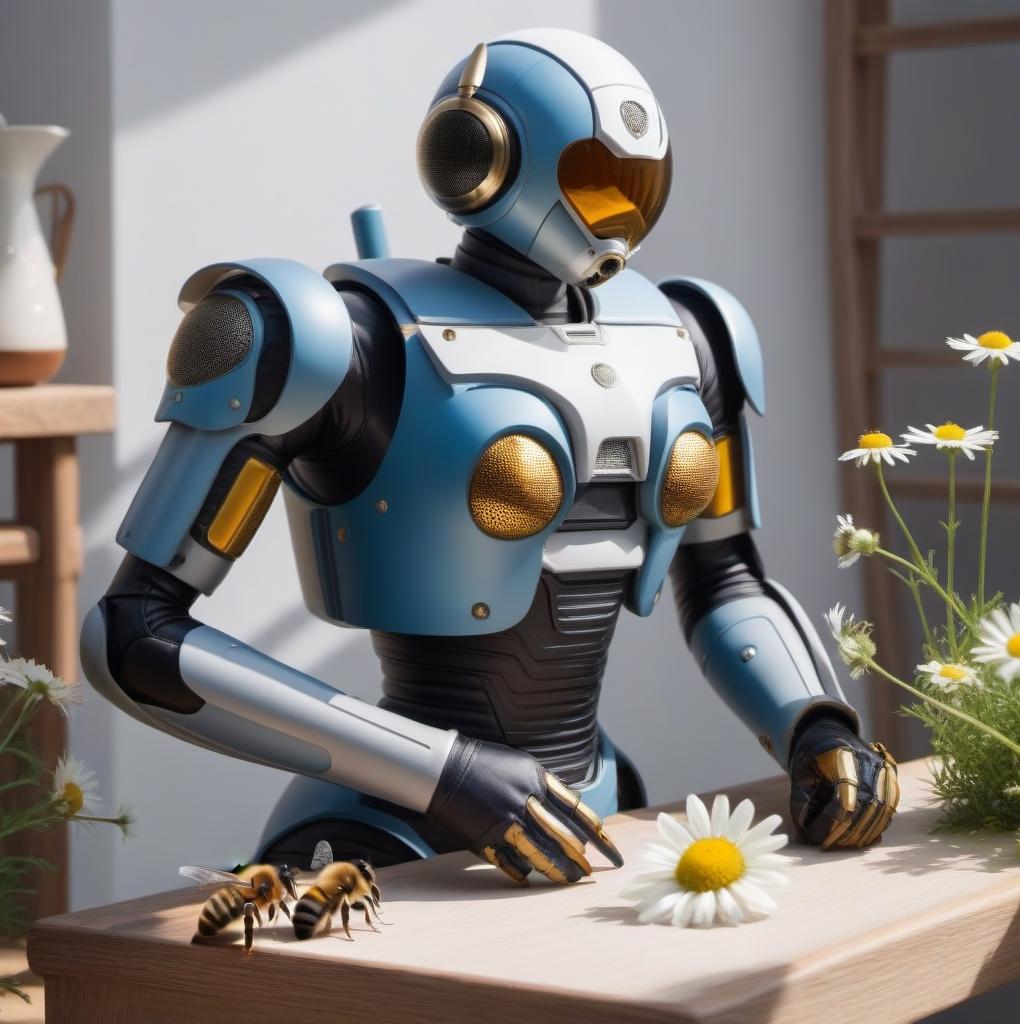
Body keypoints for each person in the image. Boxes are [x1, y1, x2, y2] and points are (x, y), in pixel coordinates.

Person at [81, 29, 898, 883]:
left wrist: (815, 724)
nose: (616, 207)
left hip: (594, 805)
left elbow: (724, 577)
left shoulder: (688, 334)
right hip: (380, 835)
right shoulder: (334, 337)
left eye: (636, 180)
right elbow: (134, 634)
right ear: (480, 155)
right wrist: (442, 775)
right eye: (593, 175)